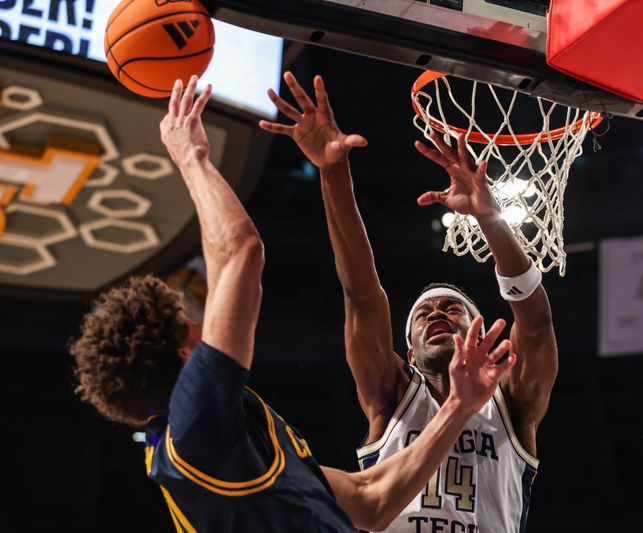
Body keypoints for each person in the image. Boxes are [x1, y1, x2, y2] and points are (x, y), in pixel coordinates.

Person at [69, 76, 519, 533]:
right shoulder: (196, 420)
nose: (198, 319)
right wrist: (191, 157)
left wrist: (460, 406)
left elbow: (373, 500)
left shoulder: (225, 441)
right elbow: (241, 251)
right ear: (186, 356)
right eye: (185, 320)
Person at [260, 72, 559, 532]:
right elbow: (362, 296)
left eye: (452, 309)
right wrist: (332, 171)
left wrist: (490, 218)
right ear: (410, 353)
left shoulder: (511, 403)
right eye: (423, 314)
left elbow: (535, 324)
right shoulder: (392, 395)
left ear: (480, 333)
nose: (436, 313)